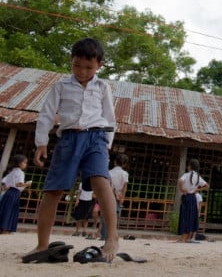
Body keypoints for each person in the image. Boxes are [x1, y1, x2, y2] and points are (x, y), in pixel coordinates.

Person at [23, 38, 119, 263]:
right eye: (77, 65)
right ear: (71, 61)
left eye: (89, 67)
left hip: (96, 137)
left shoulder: (103, 87)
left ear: (99, 66)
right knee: (53, 190)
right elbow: (47, 113)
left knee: (100, 181)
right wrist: (41, 142)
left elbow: (109, 117)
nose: (82, 71)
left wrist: (106, 143)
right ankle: (42, 244)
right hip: (68, 139)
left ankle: (112, 237)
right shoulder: (61, 86)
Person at [177, 158, 209, 243]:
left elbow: (180, 181)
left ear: (190, 166)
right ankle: (187, 238)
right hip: (193, 198)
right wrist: (197, 190)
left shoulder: (186, 175)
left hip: (186, 196)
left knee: (185, 217)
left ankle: (183, 238)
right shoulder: (198, 176)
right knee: (190, 217)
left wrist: (182, 189)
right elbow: (207, 186)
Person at [0, 154, 32, 234]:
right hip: (14, 193)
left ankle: (3, 228)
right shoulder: (20, 173)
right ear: (20, 163)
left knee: (5, 209)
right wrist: (27, 184)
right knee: (10, 210)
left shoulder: (12, 172)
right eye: (24, 162)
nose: (25, 164)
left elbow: (3, 182)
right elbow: (18, 184)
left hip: (9, 192)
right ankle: (6, 229)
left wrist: (5, 188)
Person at [100, 153, 129, 240]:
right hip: (119, 196)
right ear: (124, 164)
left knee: (105, 215)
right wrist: (122, 197)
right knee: (115, 216)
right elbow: (124, 186)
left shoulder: (109, 172)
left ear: (115, 162)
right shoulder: (125, 174)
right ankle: (111, 235)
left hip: (108, 194)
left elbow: (108, 184)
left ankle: (104, 235)